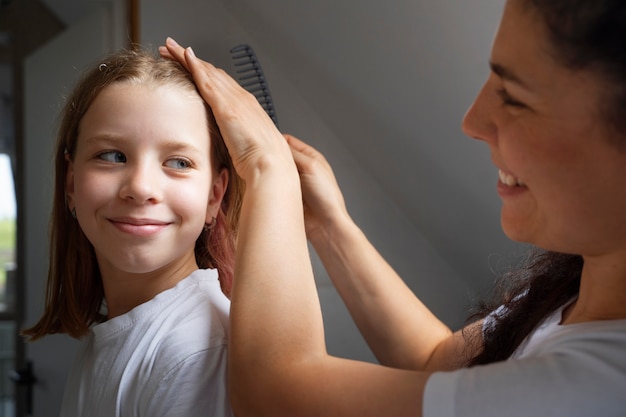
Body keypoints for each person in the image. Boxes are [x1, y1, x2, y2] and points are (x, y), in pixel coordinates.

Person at [161, 0, 626, 414]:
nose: (473, 121)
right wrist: (329, 225)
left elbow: (273, 396)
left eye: (515, 98)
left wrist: (269, 170)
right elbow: (439, 363)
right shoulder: (574, 291)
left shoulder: (596, 390)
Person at [21, 47, 243, 417]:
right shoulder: (110, 339)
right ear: (72, 183)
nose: (141, 188)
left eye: (178, 162)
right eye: (111, 156)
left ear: (214, 196)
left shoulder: (197, 353)